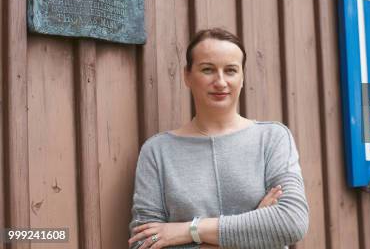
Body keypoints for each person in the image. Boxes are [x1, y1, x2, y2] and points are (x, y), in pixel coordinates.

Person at [128, 28, 309, 248]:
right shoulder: (157, 151)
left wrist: (189, 230)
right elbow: (144, 242)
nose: (221, 82)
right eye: (207, 70)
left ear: (242, 77)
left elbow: (291, 222)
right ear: (187, 76)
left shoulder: (272, 139)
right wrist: (253, 232)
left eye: (231, 70)